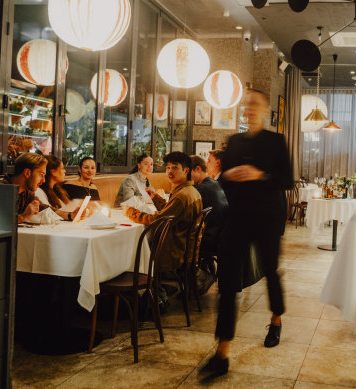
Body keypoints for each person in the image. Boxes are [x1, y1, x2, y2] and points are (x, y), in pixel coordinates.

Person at [199, 89, 293, 379]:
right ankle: (222, 352)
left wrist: (259, 175)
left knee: (270, 271)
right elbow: (225, 180)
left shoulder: (276, 142)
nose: (250, 108)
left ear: (265, 110)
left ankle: (276, 319)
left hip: (267, 217)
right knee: (227, 283)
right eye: (247, 104)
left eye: (255, 104)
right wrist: (229, 176)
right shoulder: (235, 142)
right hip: (238, 218)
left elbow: (286, 180)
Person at [124, 152, 202, 273]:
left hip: (174, 251)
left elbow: (158, 220)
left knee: (132, 248)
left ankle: (142, 284)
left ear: (186, 171)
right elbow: (171, 213)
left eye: (175, 167)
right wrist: (156, 198)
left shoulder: (182, 196)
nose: (170, 171)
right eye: (168, 167)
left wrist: (131, 212)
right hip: (184, 245)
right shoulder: (190, 190)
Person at [189, 155, 229, 291]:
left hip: (208, 239)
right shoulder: (214, 183)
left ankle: (196, 276)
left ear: (198, 169)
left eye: (188, 172)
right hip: (219, 236)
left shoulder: (201, 189)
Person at [0, 153, 49, 223]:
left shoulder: (26, 192)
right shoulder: (0, 190)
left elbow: (44, 208)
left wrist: (68, 215)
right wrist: (23, 216)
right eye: (41, 175)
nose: (43, 180)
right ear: (27, 173)